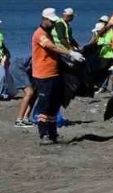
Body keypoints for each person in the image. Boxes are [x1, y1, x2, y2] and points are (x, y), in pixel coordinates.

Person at [33, 9, 83, 145]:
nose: (54, 24)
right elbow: (52, 47)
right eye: (51, 21)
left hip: (54, 73)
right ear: (44, 19)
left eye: (54, 21)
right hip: (43, 75)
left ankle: (53, 133)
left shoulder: (49, 34)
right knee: (44, 105)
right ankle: (43, 134)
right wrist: (70, 53)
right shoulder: (39, 34)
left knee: (54, 105)